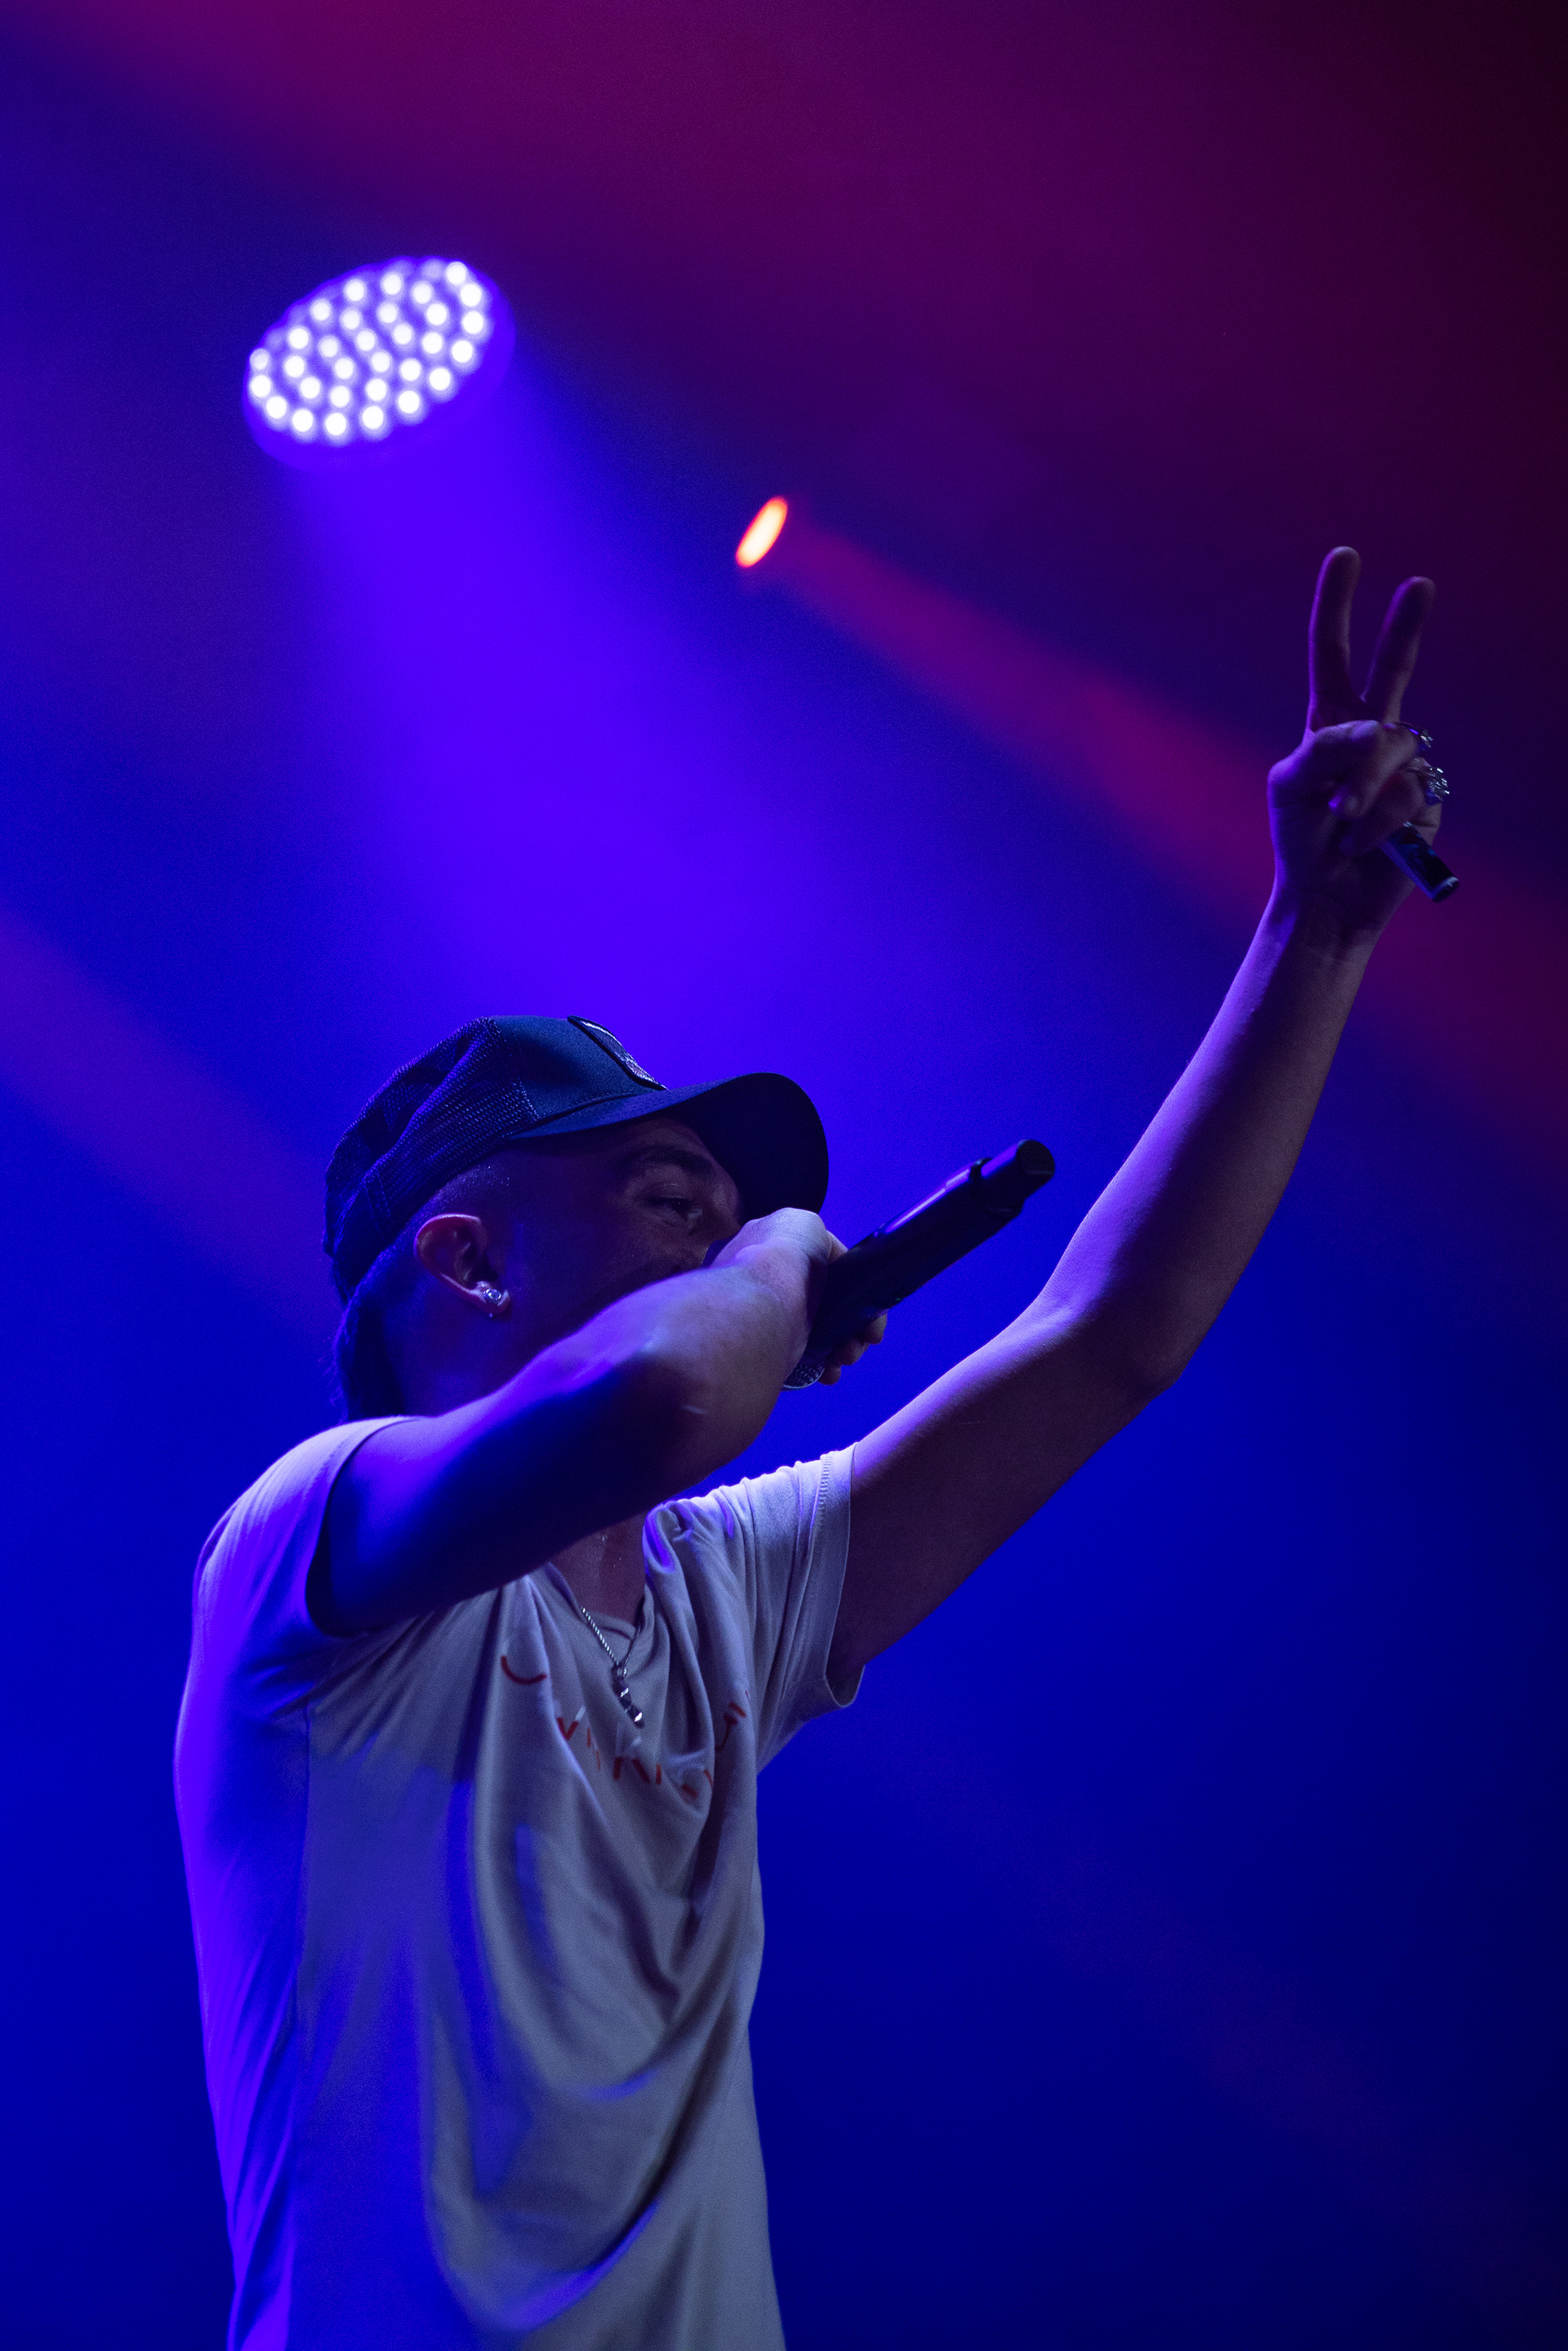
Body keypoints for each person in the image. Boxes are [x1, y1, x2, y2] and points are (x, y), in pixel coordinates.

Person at [176, 548, 1443, 2350]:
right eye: (668, 1197)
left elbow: (1114, 1336)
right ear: (467, 1258)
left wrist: (1312, 936)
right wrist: (781, 1255)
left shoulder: (716, 1589)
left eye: (730, 1213)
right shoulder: (314, 1532)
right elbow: (665, 1397)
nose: (729, 1240)